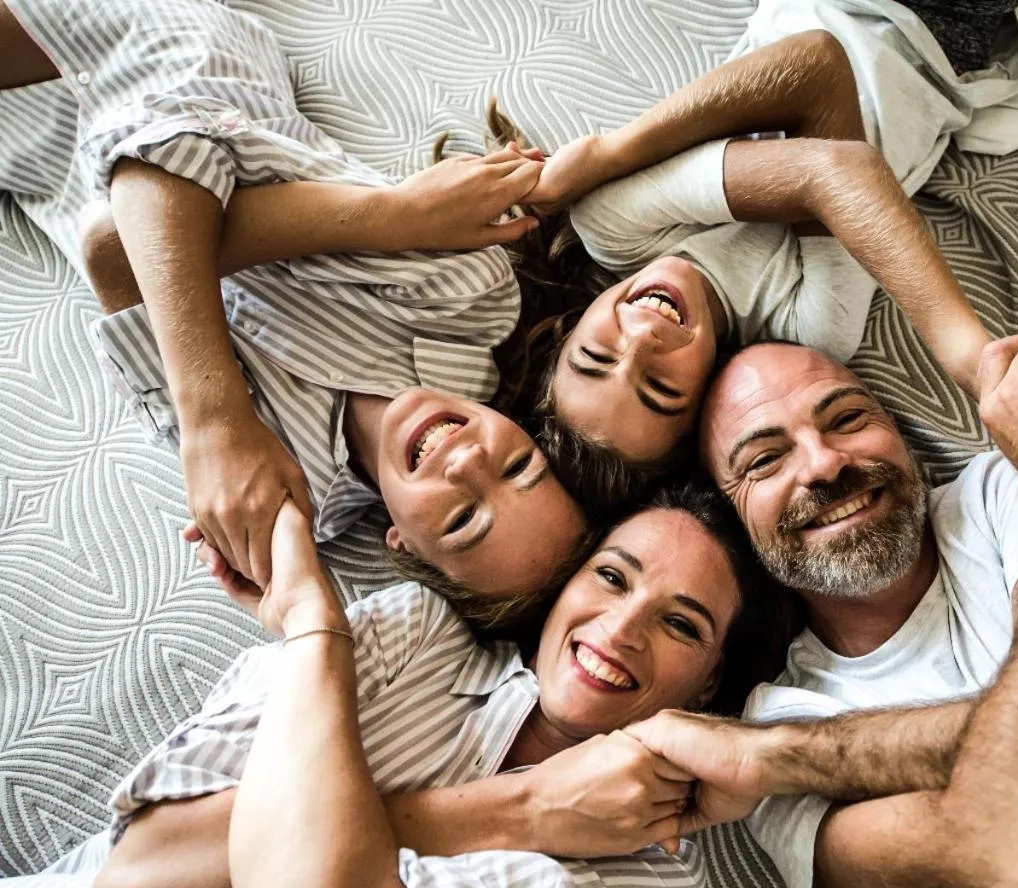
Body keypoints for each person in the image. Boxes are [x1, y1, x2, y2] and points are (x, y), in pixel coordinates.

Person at [0, 0, 590, 614]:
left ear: (403, 546)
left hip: (45, 164)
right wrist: (216, 416)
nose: (469, 462)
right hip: (158, 61)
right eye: (518, 465)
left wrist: (395, 220)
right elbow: (174, 146)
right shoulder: (469, 305)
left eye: (463, 518)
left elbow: (110, 245)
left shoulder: (285, 500)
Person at [615, 337, 1018, 888]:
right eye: (766, 460)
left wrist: (777, 758)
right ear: (735, 527)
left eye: (848, 419)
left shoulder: (1016, 488)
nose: (824, 464)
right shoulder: (778, 718)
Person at [9, 481, 787, 888]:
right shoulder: (411, 635)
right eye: (611, 577)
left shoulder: (653, 876)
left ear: (709, 683)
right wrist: (520, 809)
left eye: (680, 624)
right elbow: (139, 876)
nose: (620, 628)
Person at [493, 19, 1018, 511]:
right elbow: (834, 164)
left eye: (594, 356)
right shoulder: (808, 330)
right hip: (943, 54)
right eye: (660, 387)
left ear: (570, 330)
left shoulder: (613, 228)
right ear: (706, 398)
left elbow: (817, 68)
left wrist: (969, 357)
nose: (640, 339)